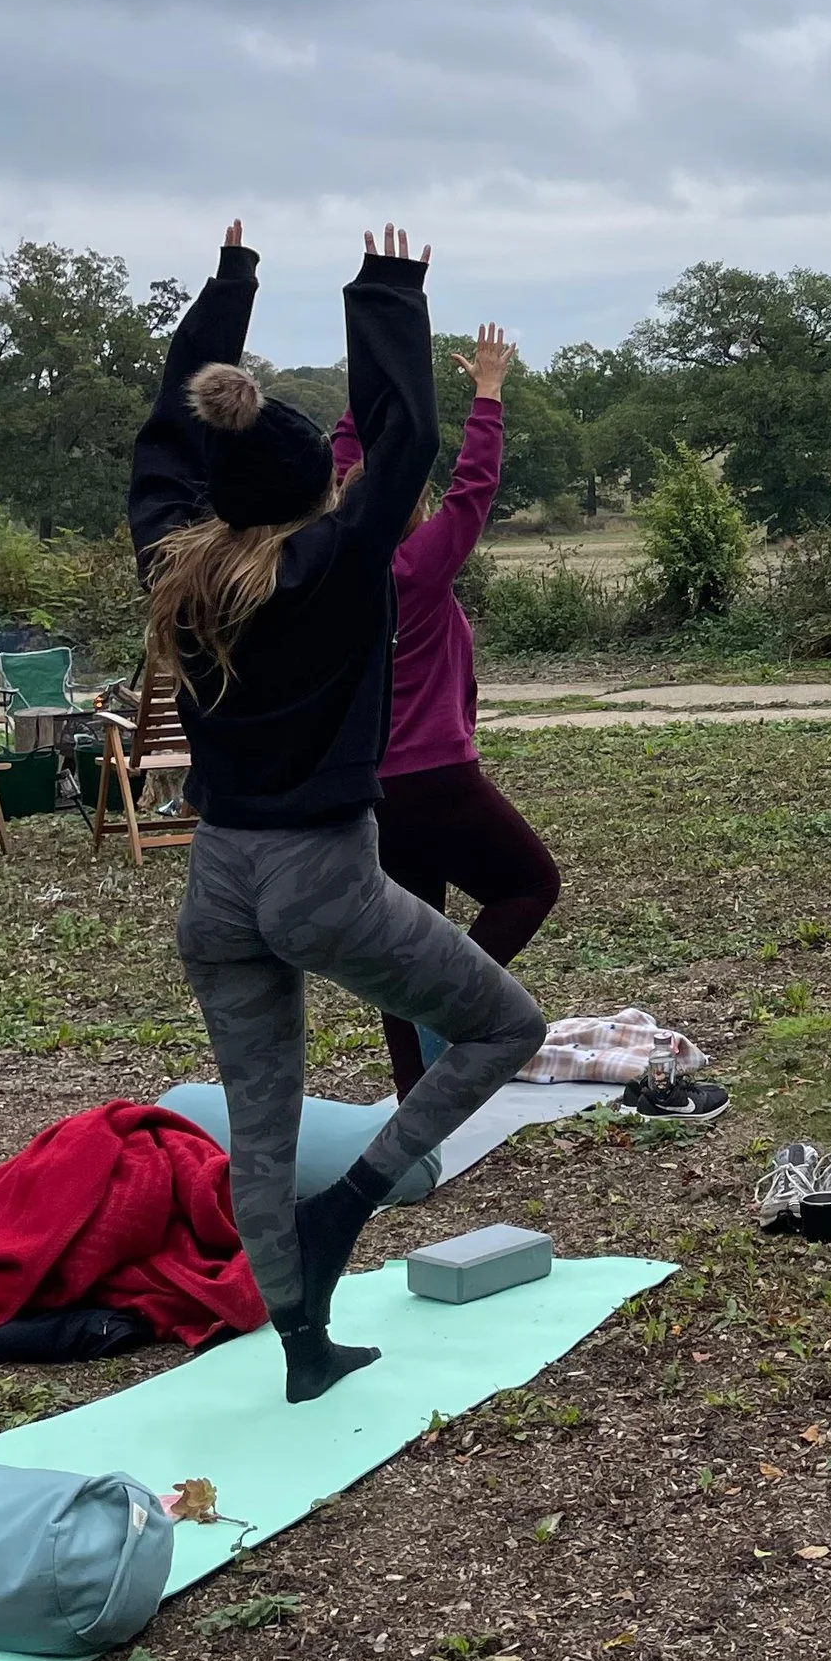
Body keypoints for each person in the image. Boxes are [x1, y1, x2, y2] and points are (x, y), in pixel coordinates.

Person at [131, 223, 546, 1403]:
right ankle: (352, 1206)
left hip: (217, 886)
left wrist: (228, 293)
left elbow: (168, 426)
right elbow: (409, 435)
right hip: (323, 877)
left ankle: (304, 1353)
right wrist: (385, 291)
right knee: (505, 1029)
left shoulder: (175, 561)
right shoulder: (341, 562)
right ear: (326, 484)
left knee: (262, 1129)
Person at [331, 322, 561, 1097]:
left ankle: (414, 1105)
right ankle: (454, 1003)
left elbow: (343, 473)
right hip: (438, 777)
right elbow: (474, 489)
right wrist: (487, 394)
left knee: (408, 939)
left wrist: (366, 390)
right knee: (531, 885)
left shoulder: (328, 567)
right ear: (408, 506)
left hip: (372, 789)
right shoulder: (417, 567)